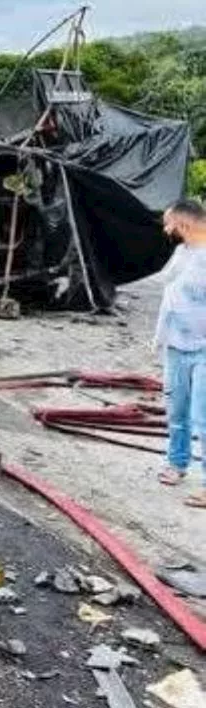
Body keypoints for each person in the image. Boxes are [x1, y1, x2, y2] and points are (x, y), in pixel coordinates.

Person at [155, 199, 206, 507]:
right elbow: (168, 291)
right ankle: (176, 463)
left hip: (204, 347)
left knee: (203, 415)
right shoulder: (182, 253)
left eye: (169, 222)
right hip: (176, 343)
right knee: (176, 408)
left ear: (184, 223)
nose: (166, 228)